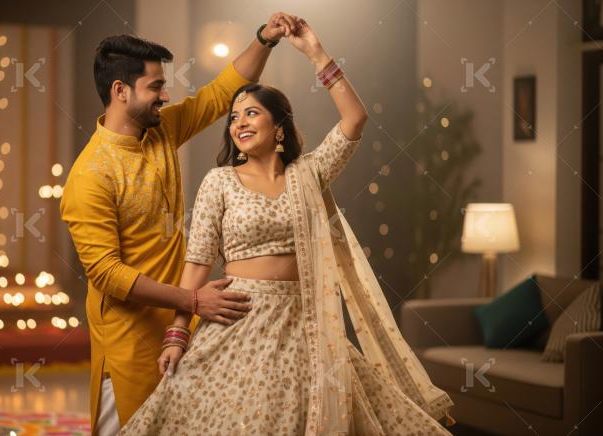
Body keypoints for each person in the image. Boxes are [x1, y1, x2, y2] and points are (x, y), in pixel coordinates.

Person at [120, 19, 455, 435]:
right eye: (234, 116)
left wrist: (315, 52)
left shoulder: (308, 174)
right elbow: (198, 263)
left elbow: (355, 119)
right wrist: (177, 335)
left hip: (305, 325)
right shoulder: (219, 181)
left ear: (278, 126)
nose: (239, 122)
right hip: (237, 320)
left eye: (252, 113)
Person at [61, 13, 303, 436]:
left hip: (184, 326)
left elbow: (220, 93)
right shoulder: (90, 175)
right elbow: (106, 273)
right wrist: (192, 300)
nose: (165, 95)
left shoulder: (160, 132)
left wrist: (265, 38)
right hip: (130, 340)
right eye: (155, 86)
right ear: (120, 91)